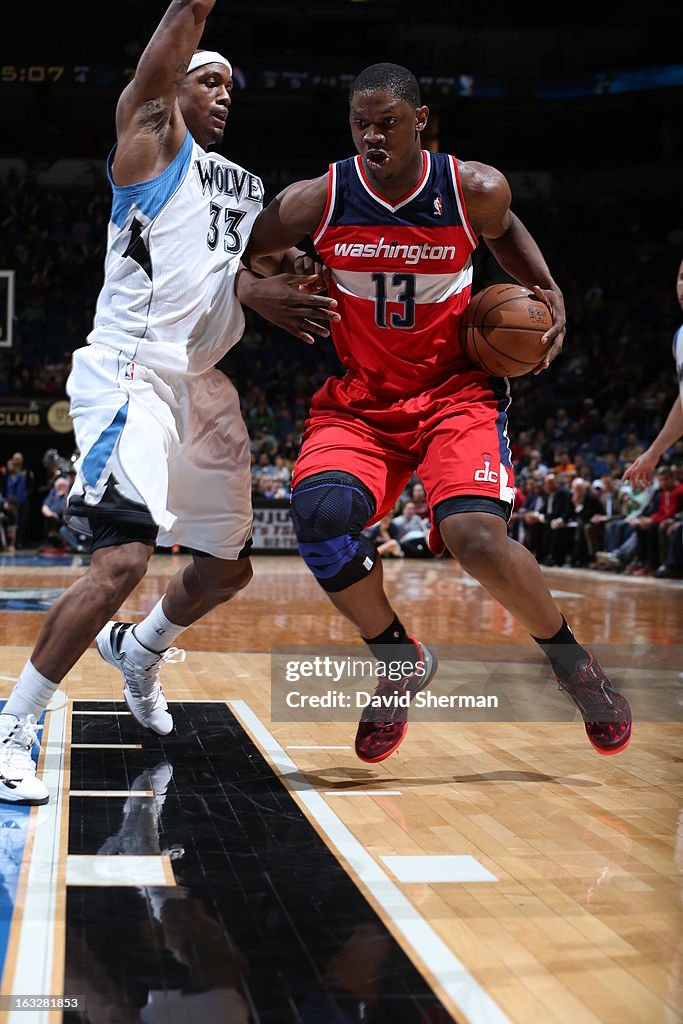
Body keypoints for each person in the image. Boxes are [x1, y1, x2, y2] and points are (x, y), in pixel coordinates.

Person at [0, 0, 339, 806]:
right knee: (121, 559)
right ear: (172, 90)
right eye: (208, 80)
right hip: (130, 373)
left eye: (231, 86)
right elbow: (176, 31)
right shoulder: (151, 144)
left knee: (226, 570)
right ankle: (16, 725)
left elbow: (228, 267)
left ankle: (140, 649)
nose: (224, 94)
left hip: (201, 388)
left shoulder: (243, 185)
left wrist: (268, 290)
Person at [243, 62, 632, 763]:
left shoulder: (470, 187)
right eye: (360, 123)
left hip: (454, 394)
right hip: (361, 402)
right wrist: (255, 290)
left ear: (419, 120)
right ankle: (397, 660)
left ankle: (573, 664)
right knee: (319, 521)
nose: (371, 135)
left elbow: (504, 227)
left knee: (474, 538)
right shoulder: (317, 199)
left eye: (386, 121)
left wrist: (544, 287)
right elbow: (245, 251)